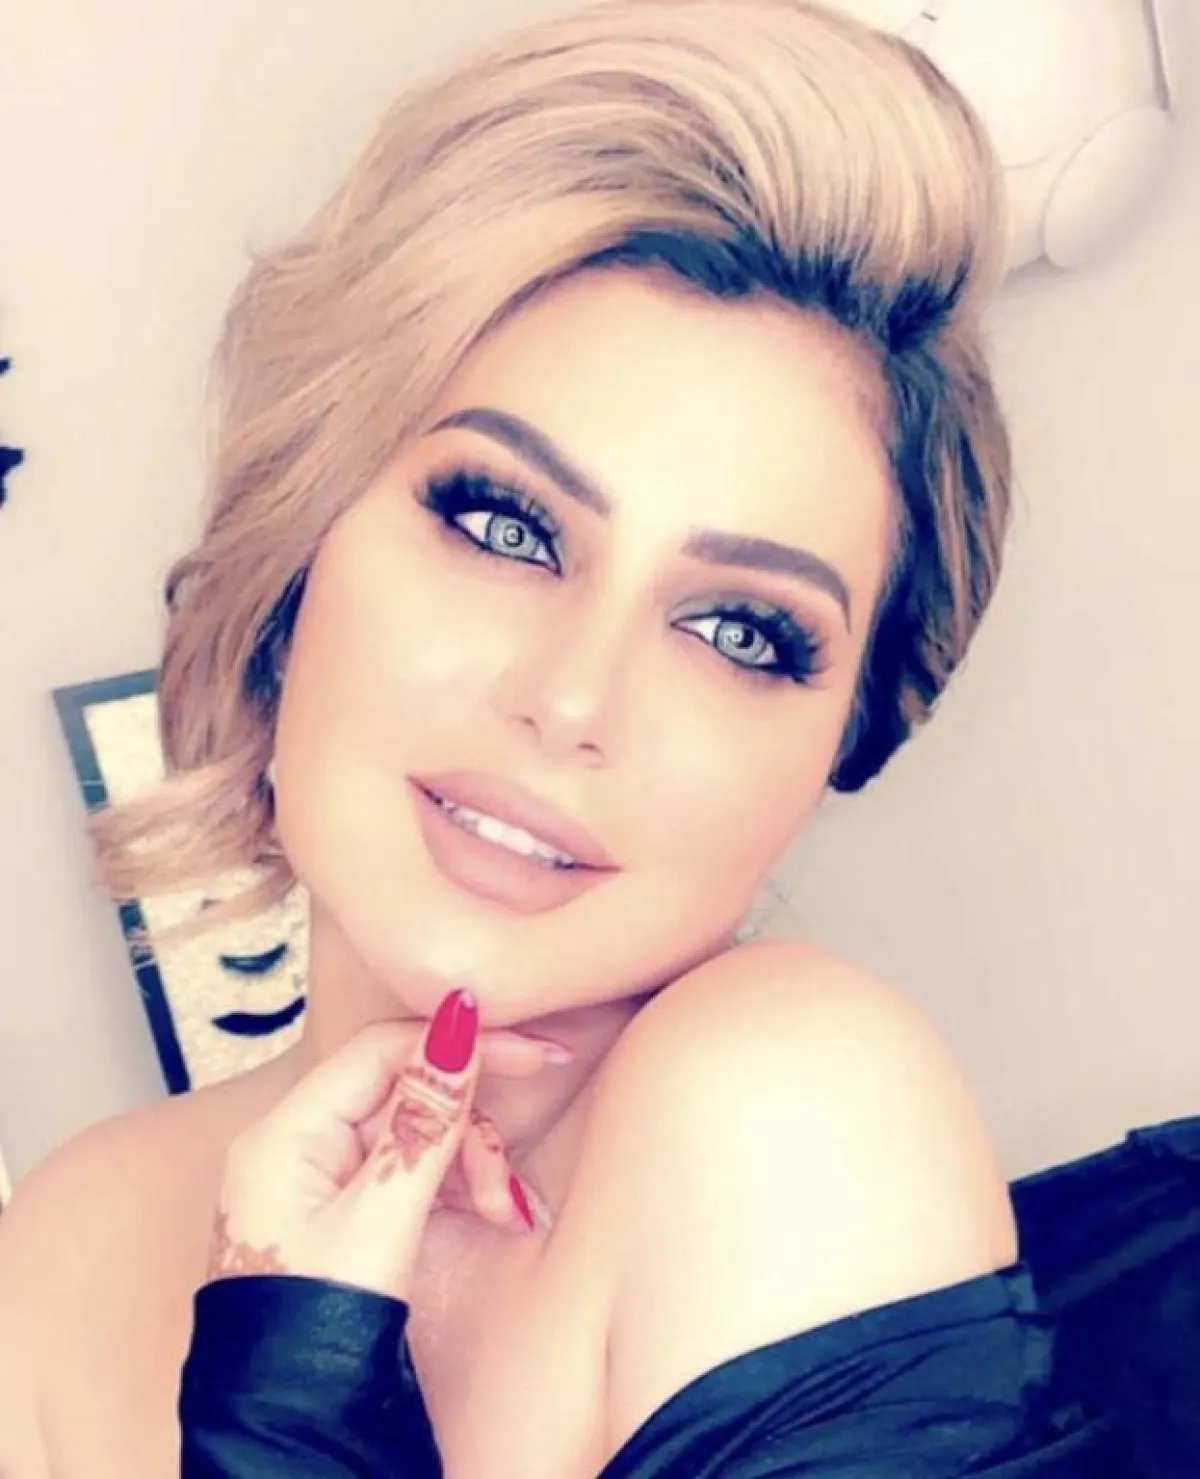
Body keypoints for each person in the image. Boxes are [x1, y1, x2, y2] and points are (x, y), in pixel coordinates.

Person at [0, 1, 1114, 1475]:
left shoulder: (784, 1113)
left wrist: (288, 1397)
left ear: (838, 747)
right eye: (504, 525)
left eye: (740, 632)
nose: (575, 701)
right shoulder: (69, 1237)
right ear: (300, 540)